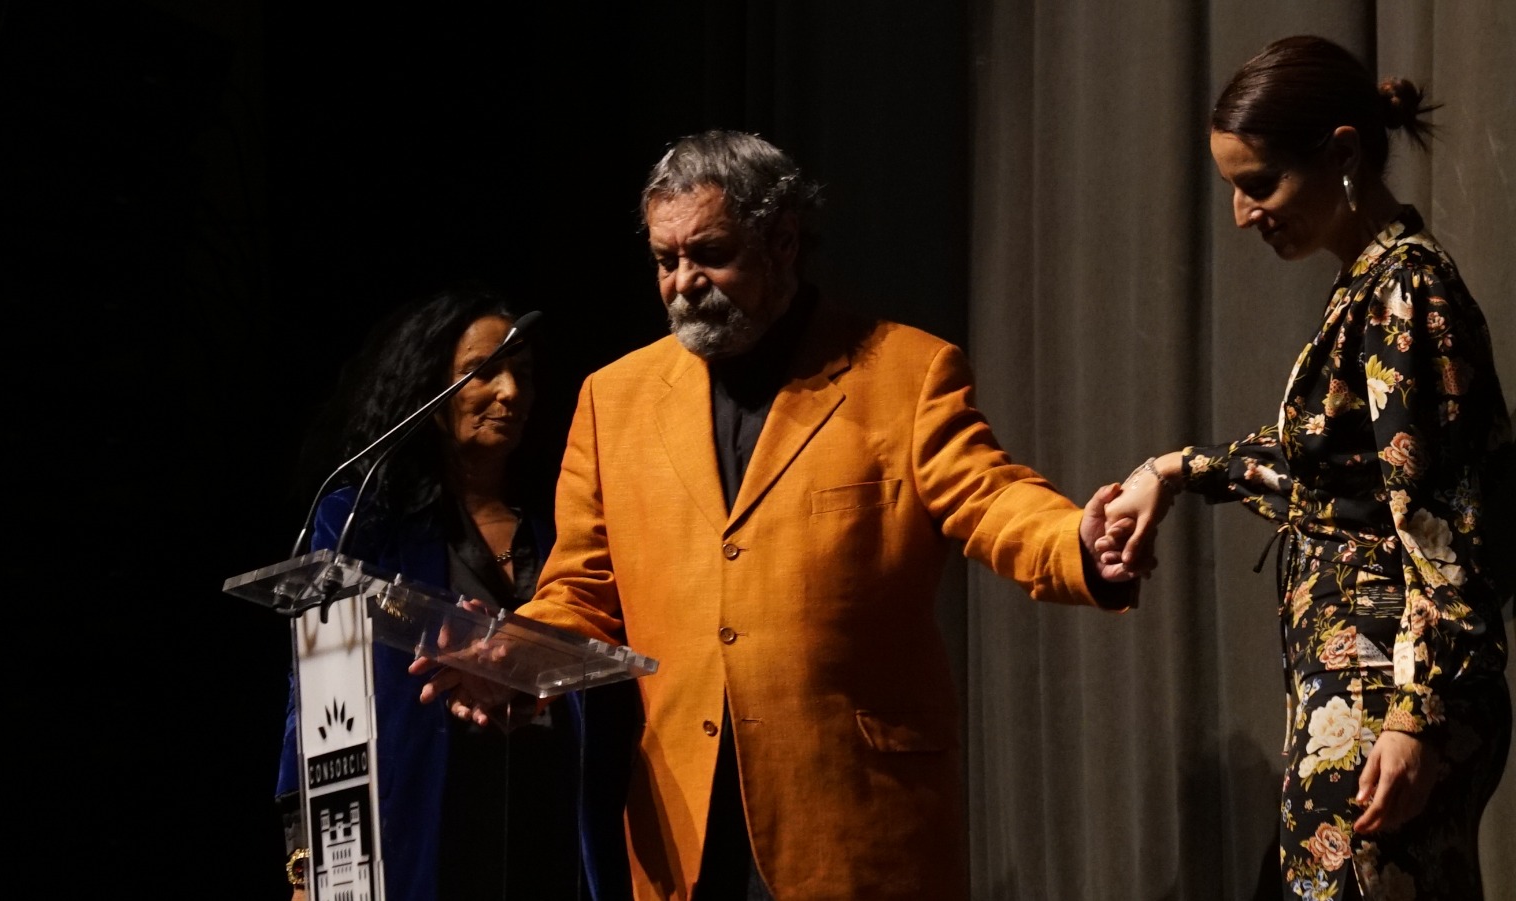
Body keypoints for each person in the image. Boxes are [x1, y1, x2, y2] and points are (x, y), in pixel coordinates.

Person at [415, 129, 1143, 900]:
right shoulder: (613, 398)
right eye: (666, 261)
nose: (684, 282)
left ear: (783, 241)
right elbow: (583, 589)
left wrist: (1078, 542)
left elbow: (990, 497)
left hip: (852, 816)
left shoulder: (905, 371)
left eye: (711, 253)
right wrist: (516, 654)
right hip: (686, 830)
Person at [1100, 35, 1512, 901]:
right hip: (1359, 694)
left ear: (1343, 154)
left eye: (1259, 185)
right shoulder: (1370, 285)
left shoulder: (1406, 290)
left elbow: (1447, 524)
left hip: (1385, 699)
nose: (1244, 214)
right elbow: (1327, 474)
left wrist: (1415, 718)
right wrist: (1172, 471)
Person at [274, 285, 628, 900]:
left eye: (522, 375)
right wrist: (309, 862)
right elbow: (314, 699)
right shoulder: (361, 521)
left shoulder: (570, 520)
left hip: (552, 819)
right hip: (418, 822)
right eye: (482, 373)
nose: (510, 393)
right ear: (430, 394)